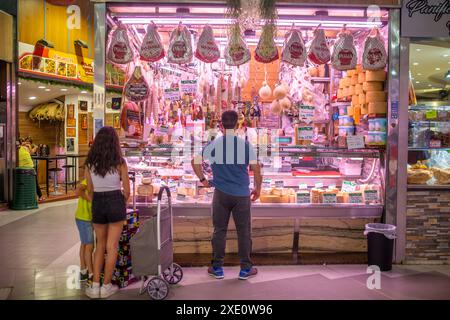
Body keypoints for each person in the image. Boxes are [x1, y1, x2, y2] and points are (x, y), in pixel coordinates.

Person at [191, 110, 262, 280]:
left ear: (221, 125)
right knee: (244, 232)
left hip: (221, 194)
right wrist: (258, 188)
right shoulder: (245, 145)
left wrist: (203, 180)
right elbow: (257, 170)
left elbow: (195, 162)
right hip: (242, 195)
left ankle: (217, 268)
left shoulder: (214, 144)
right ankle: (245, 269)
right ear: (238, 125)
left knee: (219, 230)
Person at [84, 127, 130, 299]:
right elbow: (127, 190)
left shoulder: (90, 162)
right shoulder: (120, 161)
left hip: (97, 202)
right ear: (114, 142)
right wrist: (119, 202)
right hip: (115, 201)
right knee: (112, 247)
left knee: (100, 246)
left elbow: (89, 190)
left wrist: (97, 201)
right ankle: (106, 286)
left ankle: (95, 285)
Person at [75, 176, 94, 284]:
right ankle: (91, 274)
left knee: (85, 244)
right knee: (89, 246)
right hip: (84, 218)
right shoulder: (88, 181)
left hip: (85, 218)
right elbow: (77, 191)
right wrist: (90, 199)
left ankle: (83, 271)